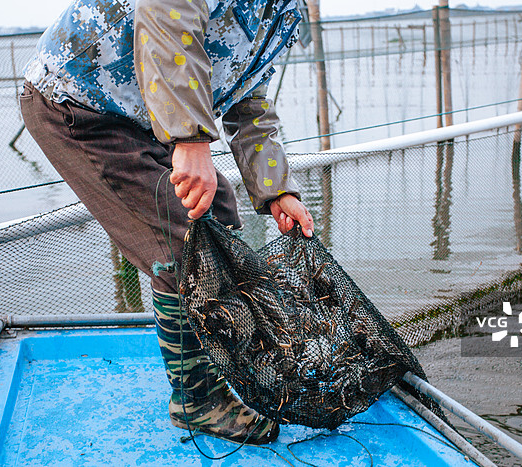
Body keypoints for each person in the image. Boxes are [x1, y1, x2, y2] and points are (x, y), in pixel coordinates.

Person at [20, 0, 314, 445]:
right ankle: (196, 401)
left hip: (141, 113)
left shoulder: (282, 13)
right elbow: (163, 11)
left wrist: (276, 189)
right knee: (185, 242)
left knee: (218, 212)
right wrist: (189, 138)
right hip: (77, 101)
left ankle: (221, 365)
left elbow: (248, 99)